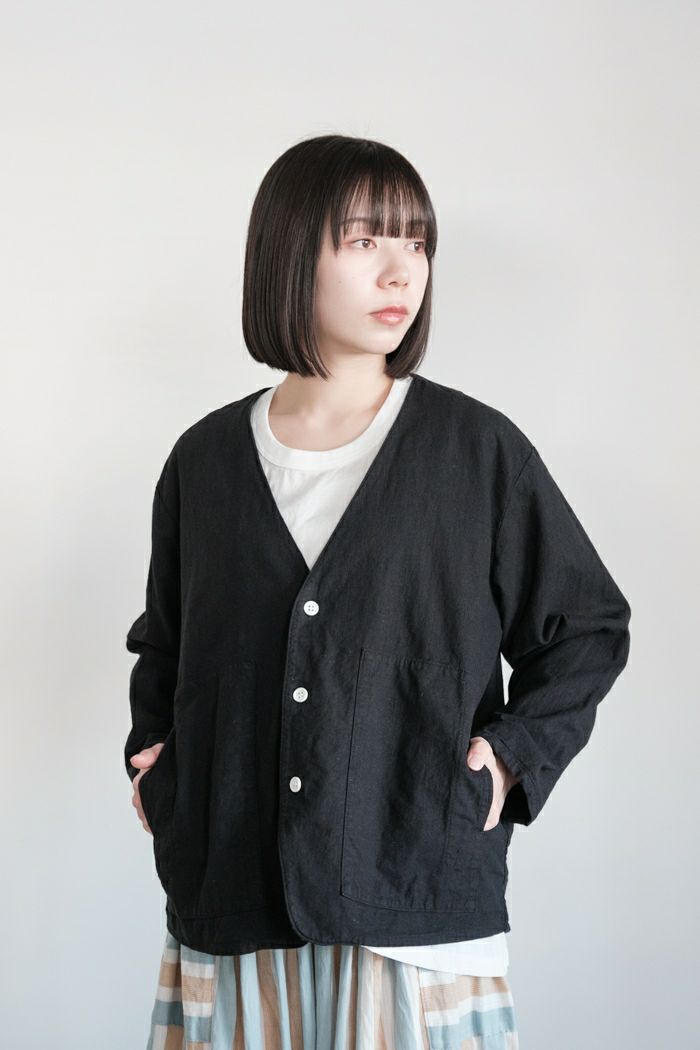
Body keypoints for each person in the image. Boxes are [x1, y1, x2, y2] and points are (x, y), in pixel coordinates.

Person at [124, 134, 630, 1050]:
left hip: (415, 904)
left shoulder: (476, 452)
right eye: (364, 241)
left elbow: (585, 626)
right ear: (290, 253)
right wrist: (154, 761)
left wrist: (512, 756)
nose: (403, 271)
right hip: (232, 901)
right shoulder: (204, 461)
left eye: (417, 243)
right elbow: (168, 642)